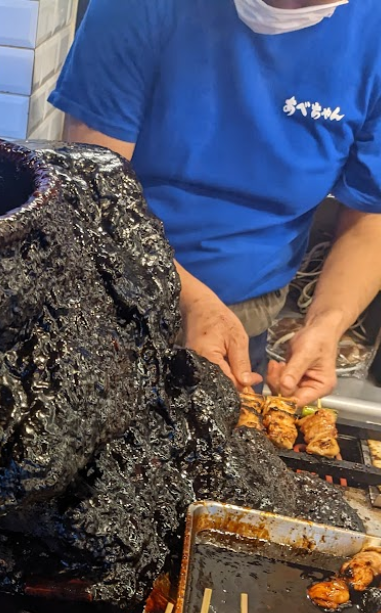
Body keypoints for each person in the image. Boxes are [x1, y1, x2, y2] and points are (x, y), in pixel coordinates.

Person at [49, 0, 381, 405]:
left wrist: (327, 324)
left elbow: (370, 216)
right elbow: (91, 192)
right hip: (114, 295)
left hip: (245, 319)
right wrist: (189, 298)